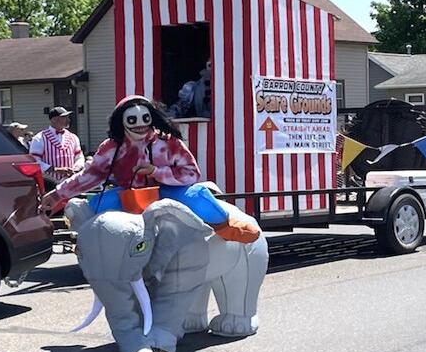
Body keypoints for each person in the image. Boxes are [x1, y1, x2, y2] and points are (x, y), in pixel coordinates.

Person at [39, 96, 260, 244]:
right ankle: (89, 250)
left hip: (167, 191)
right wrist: (58, 194)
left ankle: (226, 226)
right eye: (132, 120)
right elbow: (91, 175)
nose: (140, 125)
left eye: (144, 119)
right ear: (122, 121)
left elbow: (192, 173)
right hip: (130, 195)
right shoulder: (112, 146)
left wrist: (156, 170)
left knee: (197, 195)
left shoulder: (168, 142)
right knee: (93, 207)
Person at [29, 108, 84, 190]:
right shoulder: (40, 138)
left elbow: (79, 157)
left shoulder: (73, 137)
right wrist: (55, 169)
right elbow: (34, 161)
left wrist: (76, 168)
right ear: (54, 120)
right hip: (48, 182)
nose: (68, 120)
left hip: (70, 182)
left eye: (68, 117)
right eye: (64, 117)